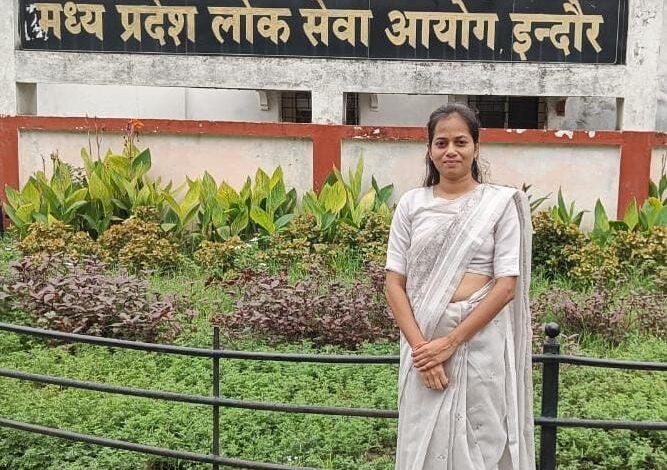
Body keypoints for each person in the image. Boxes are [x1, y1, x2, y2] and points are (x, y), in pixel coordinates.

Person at [384, 103, 535, 470]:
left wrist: (451, 343)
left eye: (460, 142)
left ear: (476, 148)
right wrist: (424, 353)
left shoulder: (499, 205)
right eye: (441, 143)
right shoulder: (411, 204)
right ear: (430, 150)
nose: (450, 150)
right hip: (423, 342)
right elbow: (393, 284)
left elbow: (506, 286)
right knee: (423, 443)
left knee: (481, 441)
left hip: (479, 341)